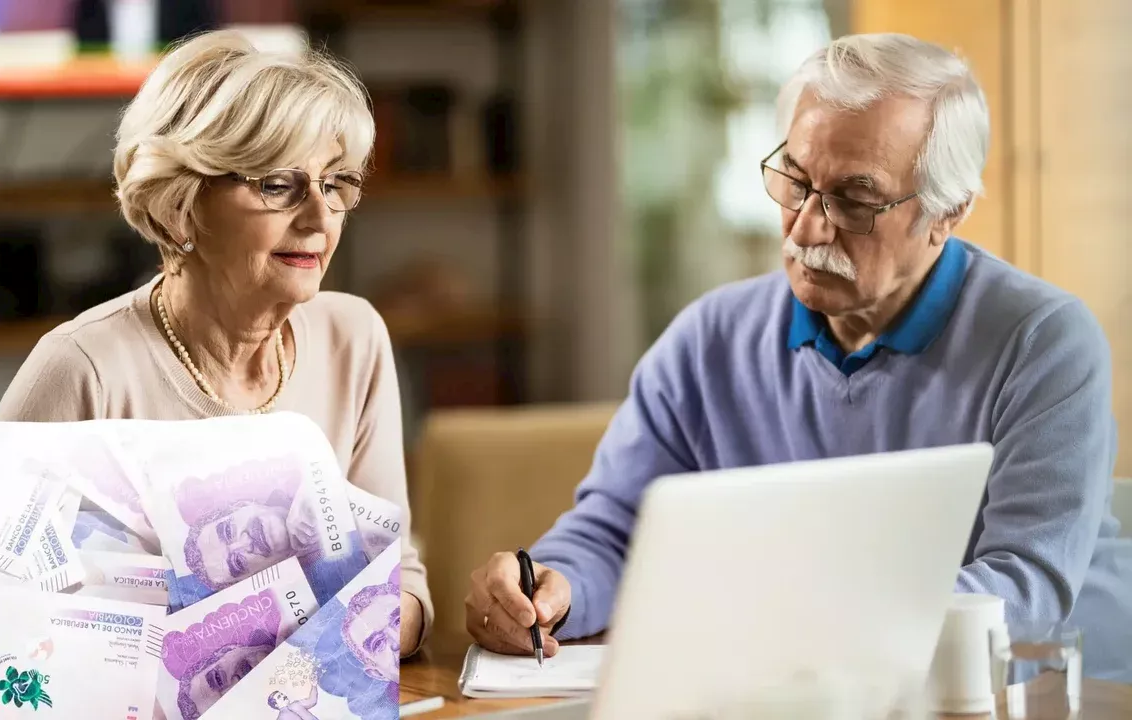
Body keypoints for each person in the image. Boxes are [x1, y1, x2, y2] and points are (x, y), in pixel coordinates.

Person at [465, 32, 1132, 681]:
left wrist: (810, 640)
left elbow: (1022, 589)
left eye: (856, 200)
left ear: (946, 212)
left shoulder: (1042, 341)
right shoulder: (709, 340)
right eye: (794, 181)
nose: (808, 227)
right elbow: (615, 531)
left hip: (1057, 690)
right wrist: (554, 589)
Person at [0, 29, 432, 658]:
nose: (320, 217)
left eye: (336, 184)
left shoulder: (353, 339)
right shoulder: (81, 367)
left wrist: (379, 626)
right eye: (279, 185)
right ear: (181, 203)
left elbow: (398, 579)